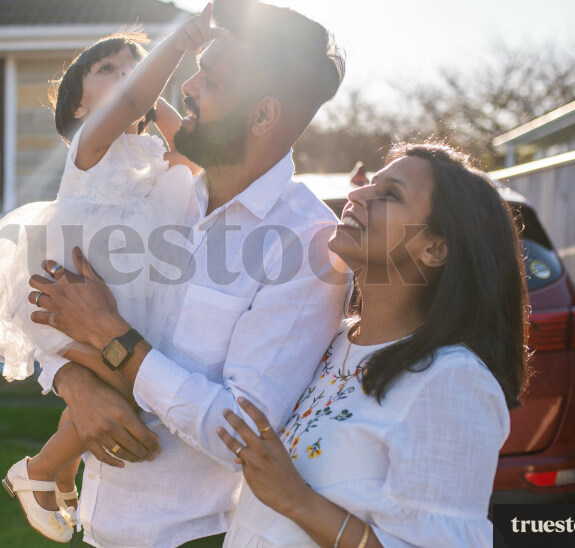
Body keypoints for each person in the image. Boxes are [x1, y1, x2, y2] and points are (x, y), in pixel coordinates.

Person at [25, 0, 350, 548]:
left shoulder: (307, 244)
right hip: (103, 524)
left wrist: (110, 338)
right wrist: (74, 381)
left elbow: (244, 436)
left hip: (199, 535)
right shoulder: (161, 195)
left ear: (264, 115)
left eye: (212, 81)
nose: (187, 90)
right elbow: (59, 313)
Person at [0, 14, 215, 542]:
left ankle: (62, 471)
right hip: (75, 291)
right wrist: (181, 43)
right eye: (107, 68)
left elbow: (191, 148)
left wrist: (150, 96)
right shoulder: (89, 148)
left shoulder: (158, 160)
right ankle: (38, 469)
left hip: (135, 306)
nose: (125, 75)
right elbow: (125, 104)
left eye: (134, 66)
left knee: (122, 380)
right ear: (79, 105)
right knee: (132, 385)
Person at [216, 144, 531, 547]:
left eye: (390, 195)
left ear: (435, 248)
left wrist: (297, 500)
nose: (357, 195)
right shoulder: (328, 337)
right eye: (370, 184)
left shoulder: (451, 381)